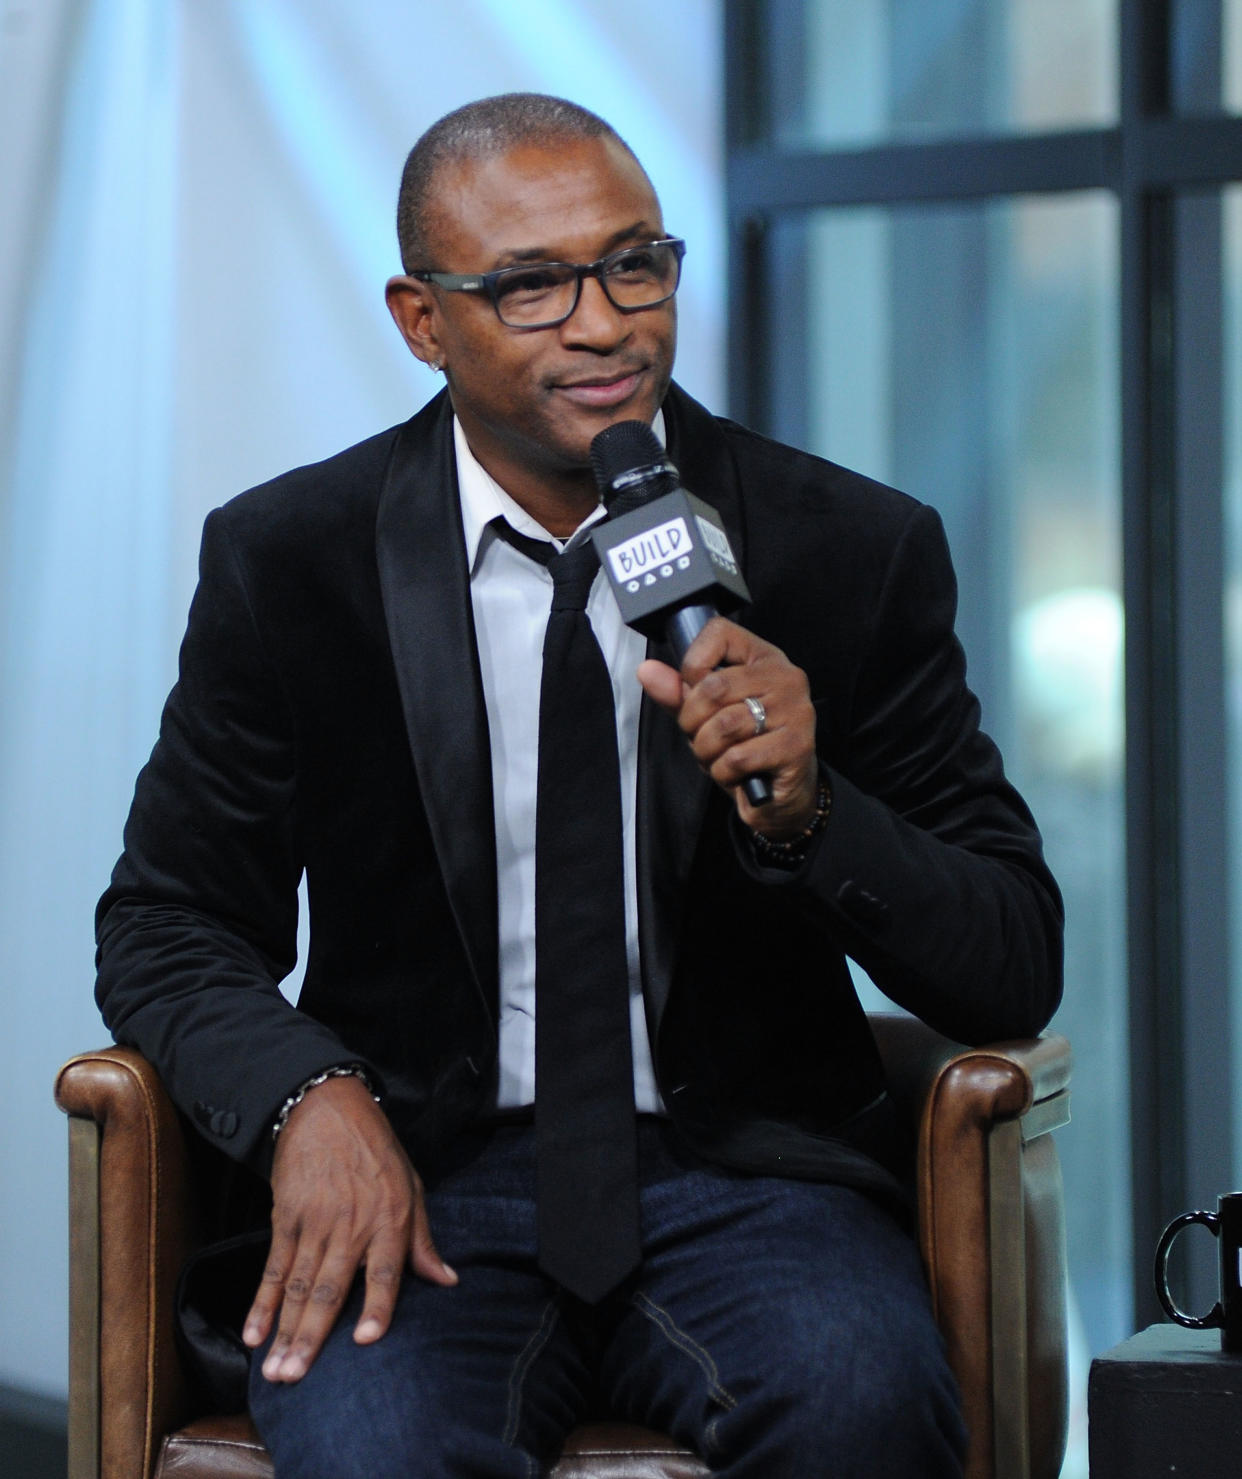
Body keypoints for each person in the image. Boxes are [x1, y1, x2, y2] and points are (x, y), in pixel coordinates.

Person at [96, 93, 1062, 1478]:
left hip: (744, 1182)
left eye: (634, 264)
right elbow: (167, 922)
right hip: (430, 1174)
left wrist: (812, 813)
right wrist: (313, 1100)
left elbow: (1012, 960)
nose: (605, 324)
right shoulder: (291, 562)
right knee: (374, 1446)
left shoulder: (842, 548)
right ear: (423, 321)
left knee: (861, 1405)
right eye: (531, 285)